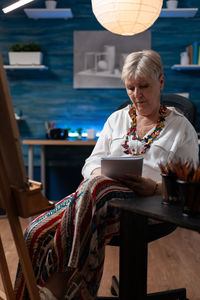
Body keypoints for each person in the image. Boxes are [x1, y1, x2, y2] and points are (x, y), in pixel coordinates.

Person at [15, 50, 199, 300]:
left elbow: (190, 185)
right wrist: (103, 173)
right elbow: (90, 163)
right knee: (35, 232)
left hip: (151, 204)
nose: (137, 95)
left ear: (162, 82)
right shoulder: (117, 119)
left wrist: (154, 188)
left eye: (144, 86)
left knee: (96, 188)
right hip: (99, 198)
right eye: (130, 88)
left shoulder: (181, 127)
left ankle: (62, 284)